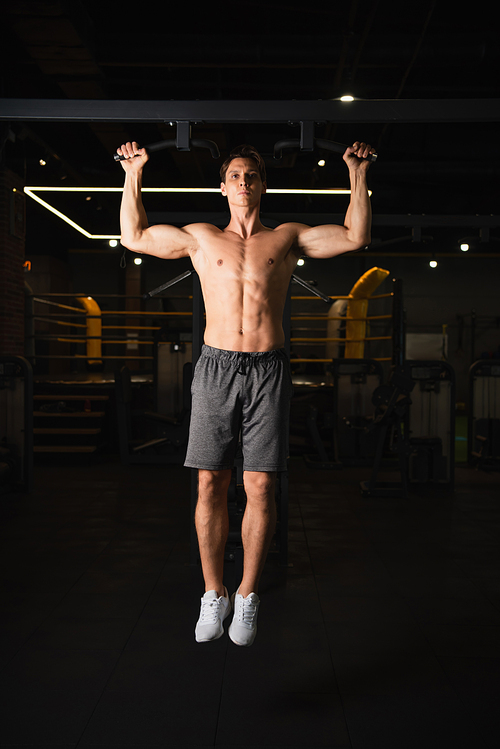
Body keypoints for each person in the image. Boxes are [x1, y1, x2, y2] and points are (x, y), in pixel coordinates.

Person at [117, 139, 374, 646]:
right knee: (210, 481)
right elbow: (133, 235)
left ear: (262, 185)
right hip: (215, 366)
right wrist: (134, 172)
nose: (243, 182)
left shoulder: (286, 238)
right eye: (235, 175)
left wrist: (357, 173)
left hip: (268, 368)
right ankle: (214, 592)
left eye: (251, 176)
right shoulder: (200, 238)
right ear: (222, 186)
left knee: (259, 485)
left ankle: (249, 593)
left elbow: (355, 235)